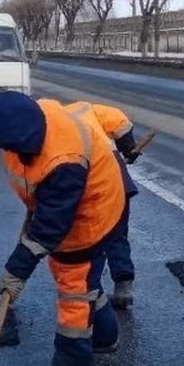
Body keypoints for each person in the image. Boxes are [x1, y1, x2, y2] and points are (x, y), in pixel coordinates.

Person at [0, 92, 127, 366]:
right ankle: (106, 336)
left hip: (92, 214)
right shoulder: (32, 120)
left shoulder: (65, 160)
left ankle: (72, 362)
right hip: (66, 205)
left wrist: (17, 270)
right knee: (82, 281)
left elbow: (50, 226)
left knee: (74, 287)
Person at [62, 101, 143, 309]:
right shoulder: (88, 109)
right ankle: (123, 287)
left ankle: (89, 292)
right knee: (117, 233)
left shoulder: (55, 125)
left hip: (85, 181)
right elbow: (120, 122)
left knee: (90, 237)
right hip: (115, 178)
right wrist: (128, 148)